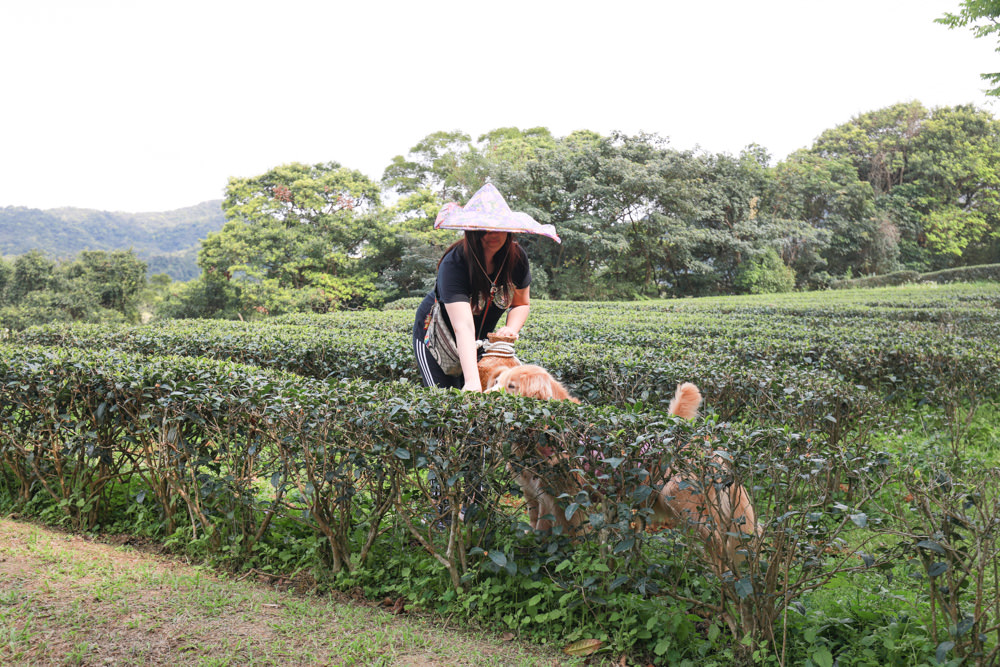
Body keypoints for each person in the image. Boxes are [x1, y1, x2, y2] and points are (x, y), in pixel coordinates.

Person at [413, 229, 531, 391]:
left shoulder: (516, 258)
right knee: (444, 402)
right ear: (471, 232)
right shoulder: (454, 263)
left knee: (480, 402)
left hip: (479, 340)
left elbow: (521, 303)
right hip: (436, 338)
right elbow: (463, 326)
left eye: (498, 228)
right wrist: (471, 381)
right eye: (483, 230)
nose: (492, 234)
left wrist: (510, 329)